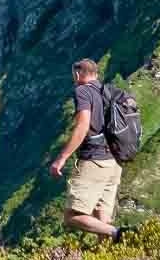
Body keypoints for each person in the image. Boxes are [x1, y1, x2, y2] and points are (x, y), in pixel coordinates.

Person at [49, 58, 128, 241]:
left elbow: (83, 125)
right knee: (103, 218)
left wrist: (61, 158)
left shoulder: (82, 91)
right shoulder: (107, 91)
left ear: (77, 74)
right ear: (96, 74)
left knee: (71, 217)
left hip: (94, 161)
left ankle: (118, 234)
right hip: (114, 162)